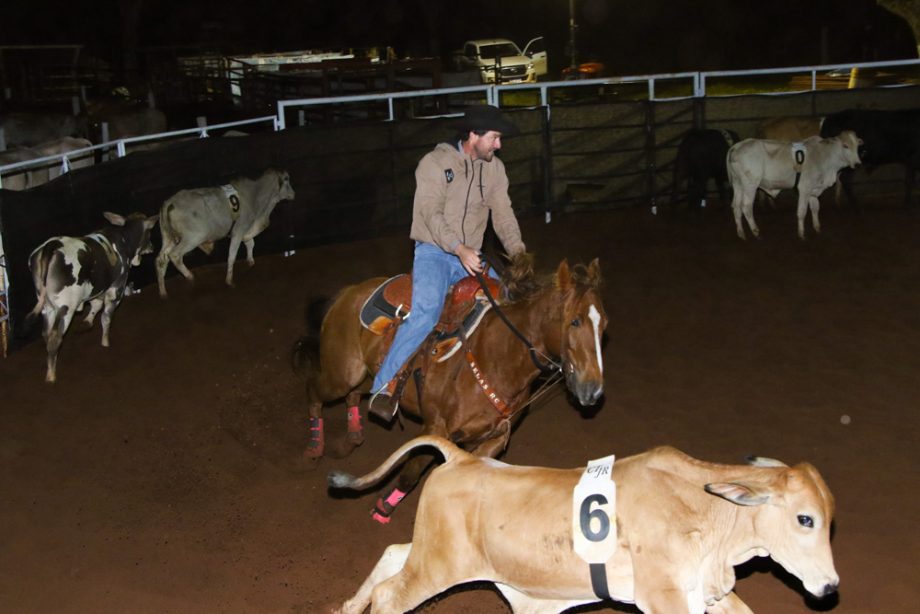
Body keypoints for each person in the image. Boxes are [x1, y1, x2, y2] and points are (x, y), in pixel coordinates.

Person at [368, 104, 527, 420]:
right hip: (434, 252)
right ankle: (382, 387)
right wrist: (459, 248)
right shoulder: (434, 164)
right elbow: (430, 213)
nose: (499, 145)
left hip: (471, 256)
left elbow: (504, 214)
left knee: (506, 304)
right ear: (474, 135)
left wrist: (519, 252)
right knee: (425, 313)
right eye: (495, 138)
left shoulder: (494, 169)